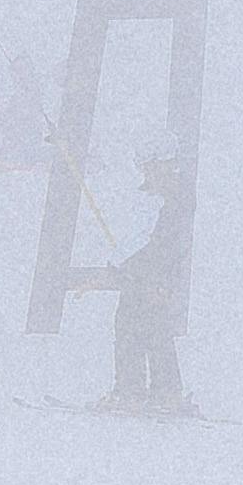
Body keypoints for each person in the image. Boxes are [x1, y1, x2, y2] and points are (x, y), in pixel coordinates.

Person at [107, 152, 194, 413]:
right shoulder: (163, 201)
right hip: (146, 277)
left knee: (144, 329)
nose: (147, 175)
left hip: (154, 278)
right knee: (140, 329)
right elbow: (146, 242)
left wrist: (160, 280)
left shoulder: (174, 204)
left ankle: (143, 394)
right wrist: (122, 264)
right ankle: (151, 393)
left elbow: (163, 247)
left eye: (151, 169)